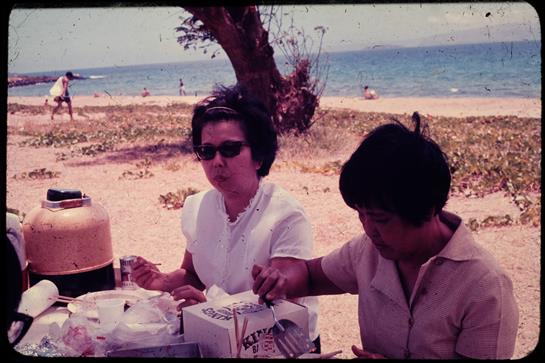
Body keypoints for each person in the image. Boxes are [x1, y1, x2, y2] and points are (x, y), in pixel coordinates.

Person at [251, 112, 519, 359]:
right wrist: (282, 280)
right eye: (361, 214)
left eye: (381, 219)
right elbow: (310, 277)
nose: (368, 229)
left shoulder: (485, 287)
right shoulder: (366, 251)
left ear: (427, 210)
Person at [132, 84, 321, 352]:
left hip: (279, 346)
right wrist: (160, 282)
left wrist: (209, 309)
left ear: (259, 155)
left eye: (230, 149)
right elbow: (194, 273)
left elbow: (281, 306)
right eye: (207, 151)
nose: (217, 161)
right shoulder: (197, 207)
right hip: (219, 337)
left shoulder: (286, 215)